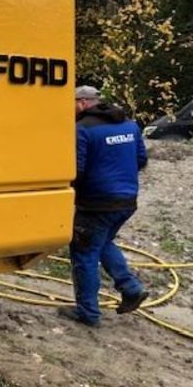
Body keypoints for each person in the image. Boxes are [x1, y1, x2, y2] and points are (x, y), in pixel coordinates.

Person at [57, 85, 149, 327]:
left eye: (73, 103)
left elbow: (76, 170)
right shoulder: (130, 125)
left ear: (83, 103)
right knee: (103, 242)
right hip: (127, 201)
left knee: (84, 252)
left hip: (97, 204)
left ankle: (88, 313)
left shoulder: (83, 129)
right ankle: (131, 288)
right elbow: (141, 160)